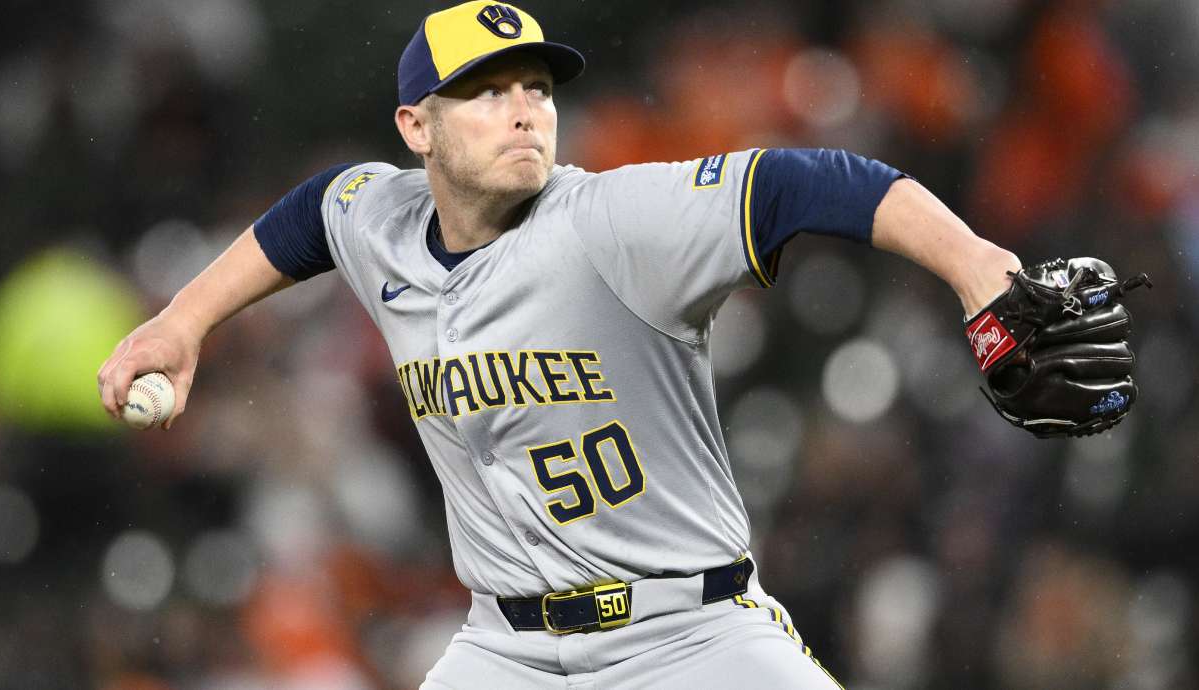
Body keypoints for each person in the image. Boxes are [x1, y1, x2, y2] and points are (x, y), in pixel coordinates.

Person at [97, 2, 1022, 687]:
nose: (523, 108)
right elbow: (308, 219)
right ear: (415, 128)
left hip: (688, 636)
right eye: (485, 91)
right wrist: (184, 321)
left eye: (534, 87)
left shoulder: (614, 221)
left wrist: (978, 266)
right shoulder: (378, 217)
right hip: (505, 651)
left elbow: (813, 181)